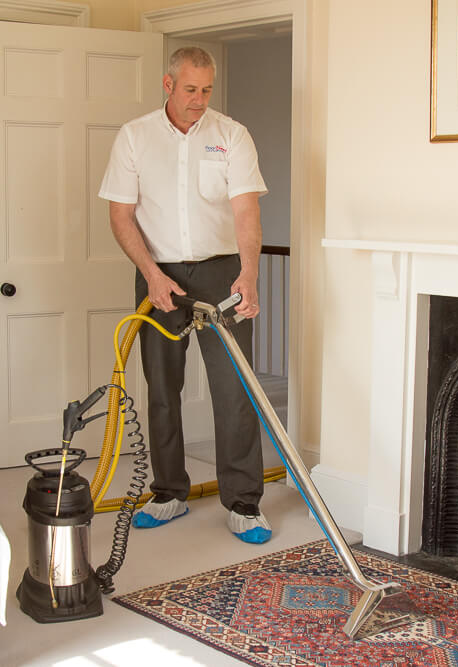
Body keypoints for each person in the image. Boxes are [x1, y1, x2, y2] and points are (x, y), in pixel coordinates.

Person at [98, 47, 271, 544]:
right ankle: (170, 493)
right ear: (168, 85)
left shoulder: (231, 135)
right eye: (190, 89)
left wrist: (250, 274)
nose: (199, 100)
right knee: (162, 389)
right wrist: (151, 274)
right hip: (160, 275)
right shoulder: (135, 137)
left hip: (223, 273)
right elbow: (120, 215)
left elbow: (245, 212)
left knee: (236, 389)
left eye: (207, 90)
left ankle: (244, 505)